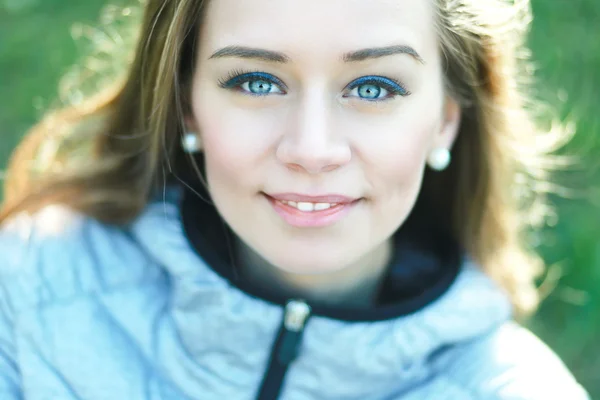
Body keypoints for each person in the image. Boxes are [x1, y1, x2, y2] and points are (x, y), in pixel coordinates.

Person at [0, 0, 590, 398]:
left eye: (373, 86)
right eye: (257, 82)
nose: (312, 149)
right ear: (188, 108)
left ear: (445, 121)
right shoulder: (26, 293)